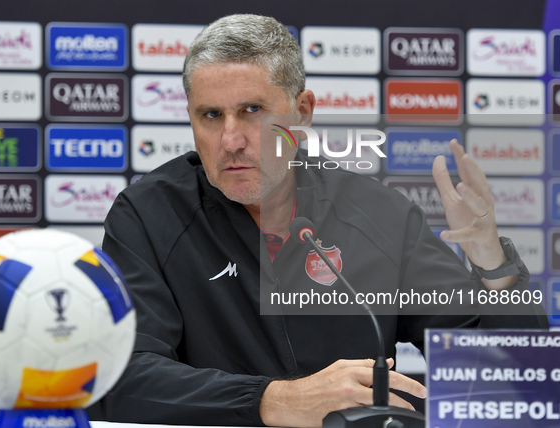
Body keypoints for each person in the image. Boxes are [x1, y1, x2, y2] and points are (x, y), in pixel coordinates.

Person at [101, 14, 547, 427]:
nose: (231, 140)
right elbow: (122, 377)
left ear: (302, 111)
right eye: (211, 115)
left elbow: (511, 378)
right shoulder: (148, 215)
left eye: (253, 111)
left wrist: (493, 266)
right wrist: (273, 400)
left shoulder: (377, 214)